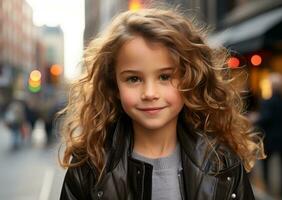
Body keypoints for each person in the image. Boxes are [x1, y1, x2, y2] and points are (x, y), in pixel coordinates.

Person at [59, 8, 265, 200]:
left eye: (165, 77)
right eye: (133, 79)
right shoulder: (89, 167)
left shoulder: (224, 164)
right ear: (114, 86)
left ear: (190, 79)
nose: (150, 93)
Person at [256, 73, 282, 198]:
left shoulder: (266, 103)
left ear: (272, 86)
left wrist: (256, 119)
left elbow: (265, 119)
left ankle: (267, 185)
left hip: (271, 138)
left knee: (266, 162)